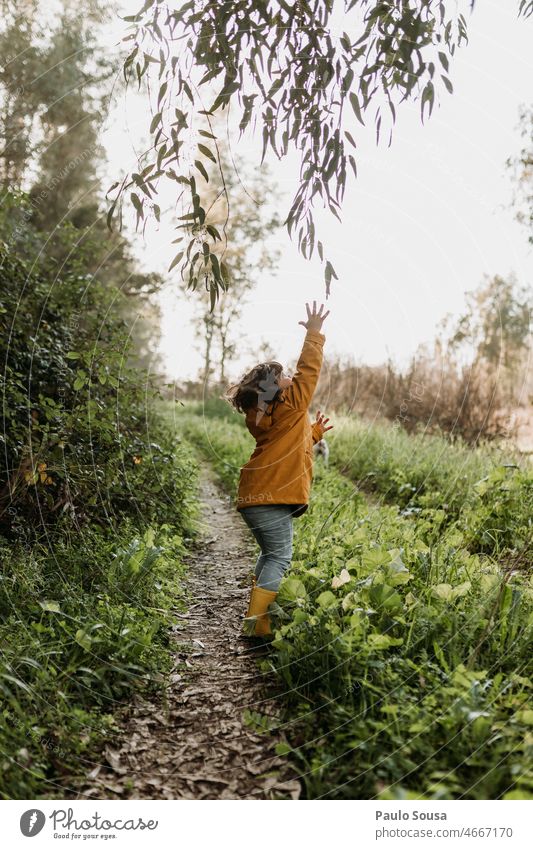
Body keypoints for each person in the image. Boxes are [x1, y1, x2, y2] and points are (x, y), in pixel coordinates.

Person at [224, 302, 333, 637]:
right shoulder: (292, 405)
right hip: (271, 498)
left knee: (270, 555)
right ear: (275, 387)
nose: (291, 378)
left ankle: (259, 618)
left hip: (253, 496)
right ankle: (256, 628)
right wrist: (313, 335)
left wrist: (312, 434)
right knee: (280, 558)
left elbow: (283, 441)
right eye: (284, 375)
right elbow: (309, 372)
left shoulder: (261, 418)